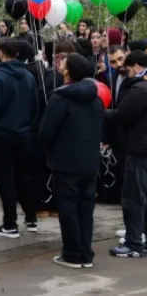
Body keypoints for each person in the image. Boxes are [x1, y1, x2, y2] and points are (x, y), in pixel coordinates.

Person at [38, 54, 103, 268]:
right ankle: (86, 253)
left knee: (68, 209)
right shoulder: (96, 98)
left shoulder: (60, 98)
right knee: (85, 209)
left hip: (66, 162)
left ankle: (73, 254)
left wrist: (47, 151)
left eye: (64, 63)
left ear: (68, 71)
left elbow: (46, 132)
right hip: (90, 161)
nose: (60, 64)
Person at [0, 38, 38, 238]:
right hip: (23, 133)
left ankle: (10, 223)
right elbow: (35, 105)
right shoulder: (28, 77)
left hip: (1, 134)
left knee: (5, 179)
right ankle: (31, 218)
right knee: (24, 176)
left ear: (1, 53)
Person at [107, 51, 147, 257]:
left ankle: (133, 243)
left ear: (137, 66)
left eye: (130, 69)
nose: (128, 74)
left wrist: (104, 113)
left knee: (133, 197)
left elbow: (123, 115)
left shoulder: (139, 90)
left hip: (139, 148)